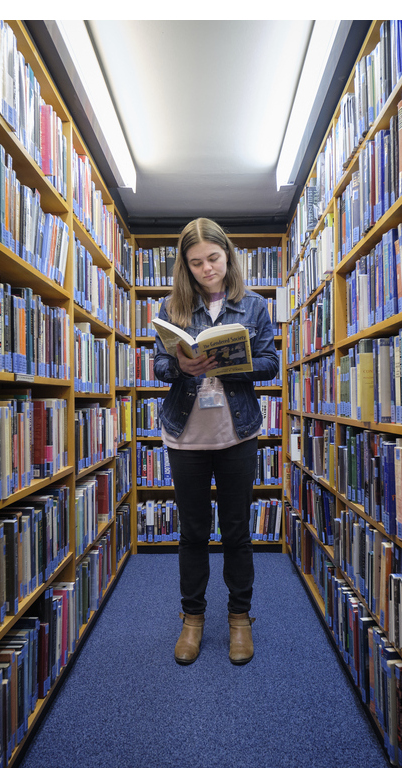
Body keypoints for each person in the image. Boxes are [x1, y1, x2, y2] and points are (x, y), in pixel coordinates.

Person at [152, 218, 280, 665]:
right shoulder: (172, 309)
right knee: (192, 533)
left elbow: (270, 364)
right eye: (196, 262)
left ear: (228, 255)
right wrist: (179, 368)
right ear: (184, 267)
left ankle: (240, 618)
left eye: (213, 258)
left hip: (236, 433)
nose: (207, 269)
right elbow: (158, 366)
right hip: (185, 435)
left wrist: (231, 365)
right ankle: (193, 618)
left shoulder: (255, 307)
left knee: (237, 532)